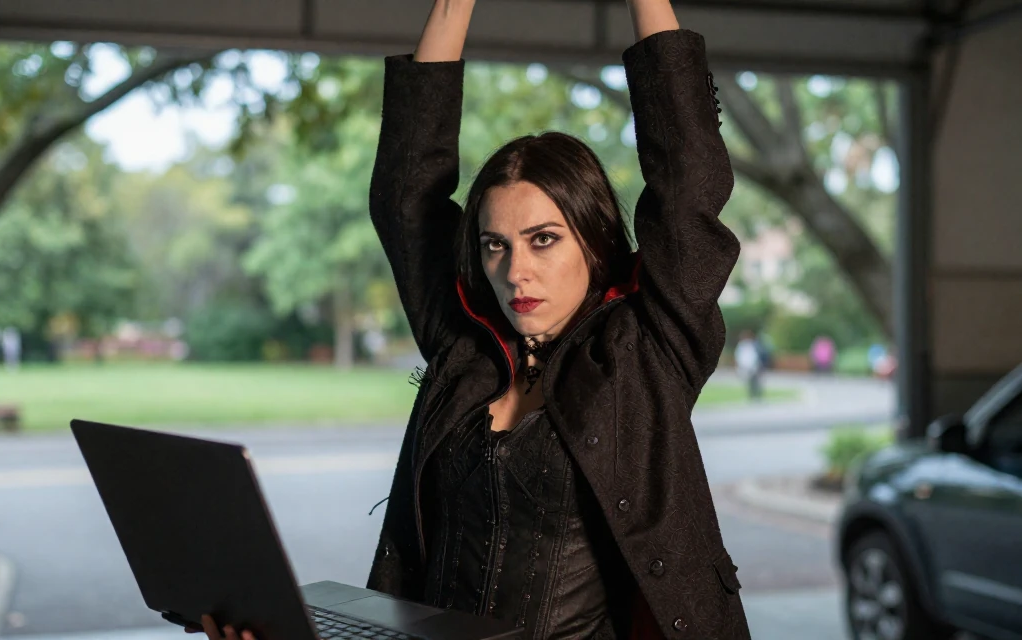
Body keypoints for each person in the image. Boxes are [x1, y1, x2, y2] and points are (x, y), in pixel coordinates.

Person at [194, 1, 749, 638]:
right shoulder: (464, 348)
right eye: (496, 245)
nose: (516, 272)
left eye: (544, 239)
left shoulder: (648, 346)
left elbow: (689, 182)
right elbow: (407, 195)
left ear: (595, 242)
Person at [735, 330, 765, 401]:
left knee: (756, 381)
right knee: (749, 382)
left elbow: (756, 355)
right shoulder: (741, 346)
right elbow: (739, 356)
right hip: (746, 366)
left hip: (754, 366)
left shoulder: (753, 345)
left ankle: (757, 395)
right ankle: (752, 395)